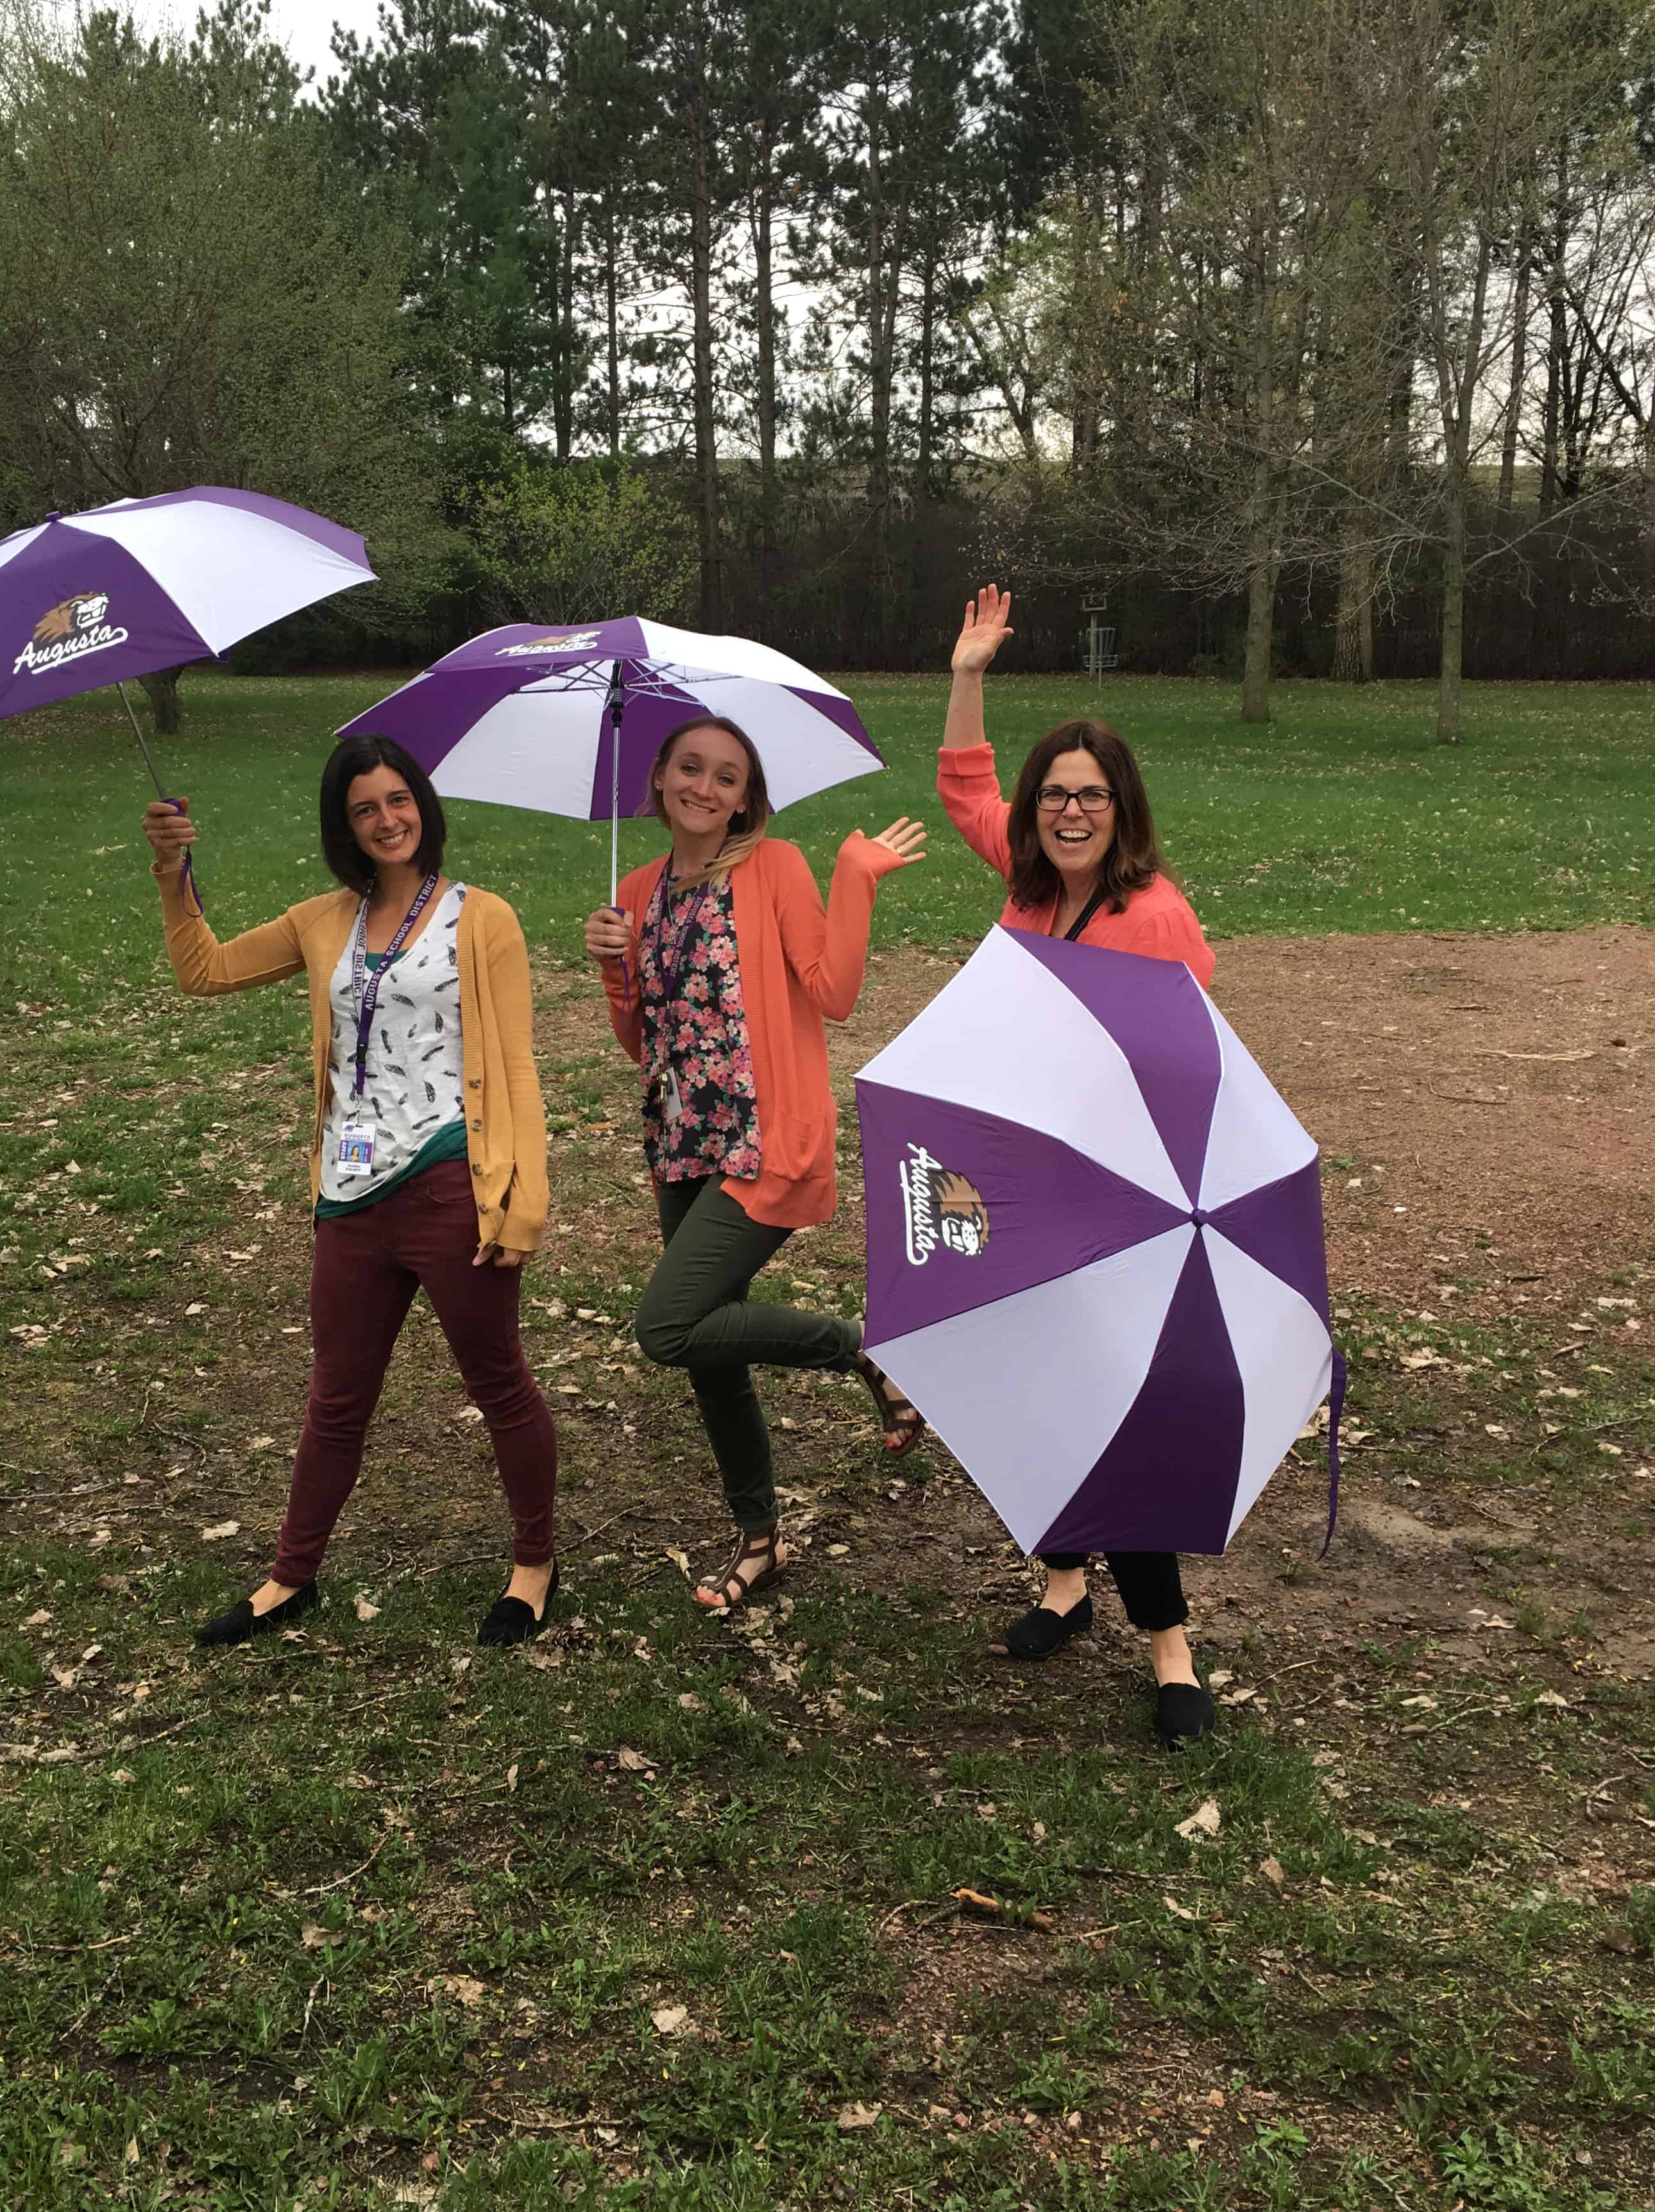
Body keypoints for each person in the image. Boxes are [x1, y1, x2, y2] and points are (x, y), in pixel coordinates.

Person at [143, 736, 559, 1650]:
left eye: (399, 799)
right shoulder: (321, 920)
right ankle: (292, 1575)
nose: (387, 819)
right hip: (350, 1192)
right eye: (366, 807)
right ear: (346, 825)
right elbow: (203, 970)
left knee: (497, 1381)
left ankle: (534, 1563)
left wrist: (521, 1202)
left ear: (424, 805)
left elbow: (519, 1069)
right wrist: (175, 873)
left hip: (455, 1180)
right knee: (336, 1395)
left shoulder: (482, 919)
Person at [940, 585, 1219, 1746]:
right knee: (1034, 1390)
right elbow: (965, 785)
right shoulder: (1025, 891)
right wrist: (968, 673)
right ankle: (1063, 1580)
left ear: (1122, 809)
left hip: (1118, 1196)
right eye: (1053, 796)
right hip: (1024, 1184)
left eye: (1089, 798)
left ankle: (1169, 1645)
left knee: (1117, 1408)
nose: (1068, 813)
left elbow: (1200, 1060)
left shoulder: (1152, 913)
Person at [582, 716, 928, 1612]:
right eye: (690, 767)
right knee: (708, 1347)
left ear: (746, 797)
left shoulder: (773, 869)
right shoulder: (636, 889)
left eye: (727, 777)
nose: (706, 786)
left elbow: (834, 992)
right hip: (681, 1142)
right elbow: (640, 1042)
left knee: (667, 1326)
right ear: (659, 778)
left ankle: (864, 1348)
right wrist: (616, 970)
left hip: (761, 1142)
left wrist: (856, 880)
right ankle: (760, 1537)